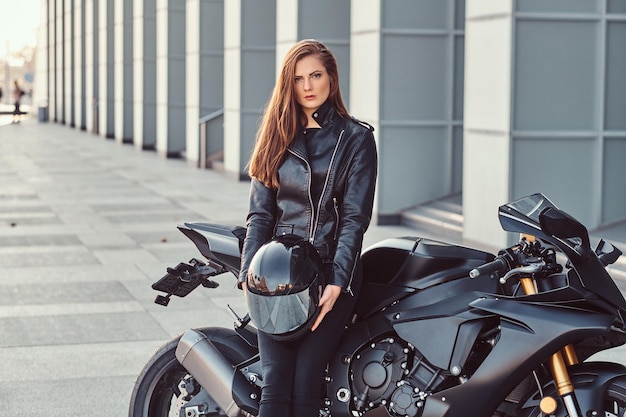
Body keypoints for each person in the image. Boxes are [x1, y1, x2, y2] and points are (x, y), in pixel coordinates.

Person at [238, 39, 378, 417]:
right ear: (289, 84)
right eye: (298, 78)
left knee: (306, 386)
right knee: (275, 382)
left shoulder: (357, 140)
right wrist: (249, 277)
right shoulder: (275, 135)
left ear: (331, 78)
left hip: (330, 272)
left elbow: (354, 218)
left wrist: (338, 281)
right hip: (275, 274)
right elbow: (260, 216)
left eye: (316, 75)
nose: (308, 86)